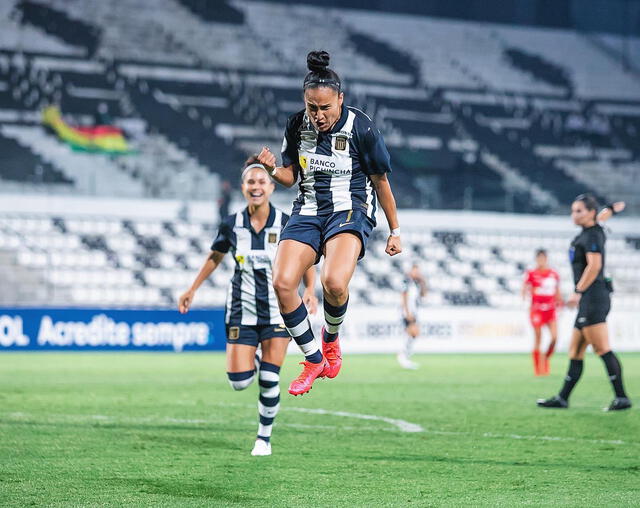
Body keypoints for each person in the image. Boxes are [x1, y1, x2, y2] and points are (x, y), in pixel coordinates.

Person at [256, 50, 402, 396]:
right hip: (307, 210)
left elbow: (380, 181)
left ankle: (331, 341)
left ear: (340, 99)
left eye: (325, 107)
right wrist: (271, 169)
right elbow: (290, 176)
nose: (318, 115)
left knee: (334, 282)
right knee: (282, 282)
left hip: (349, 209)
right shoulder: (295, 125)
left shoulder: (361, 127)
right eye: (312, 107)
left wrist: (395, 230)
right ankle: (313, 358)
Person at [178, 157, 318, 455]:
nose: (256, 186)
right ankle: (253, 360)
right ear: (243, 188)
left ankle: (263, 439)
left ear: (271, 186)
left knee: (269, 378)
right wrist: (192, 289)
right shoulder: (231, 224)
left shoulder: (286, 223)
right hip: (242, 310)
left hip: (279, 311)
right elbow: (214, 256)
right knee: (239, 382)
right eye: (251, 182)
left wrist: (311, 291)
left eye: (262, 181)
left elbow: (304, 255)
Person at [537, 196, 631, 411]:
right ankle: (562, 398)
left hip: (593, 297)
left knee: (602, 348)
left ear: (590, 212)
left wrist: (577, 292)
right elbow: (603, 216)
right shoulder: (594, 228)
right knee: (575, 350)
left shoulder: (592, 235)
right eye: (573, 210)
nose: (574, 215)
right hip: (590, 298)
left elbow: (594, 266)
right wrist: (611, 210)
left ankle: (622, 398)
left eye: (579, 211)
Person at [521, 249, 563, 376]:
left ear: (546, 259)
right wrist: (525, 302)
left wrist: (560, 304)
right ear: (536, 259)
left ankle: (545, 358)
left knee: (555, 338)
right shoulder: (531, 273)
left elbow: (557, 291)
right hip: (537, 310)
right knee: (538, 337)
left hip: (550, 310)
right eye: (539, 258)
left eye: (543, 258)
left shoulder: (553, 274)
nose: (541, 261)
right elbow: (524, 289)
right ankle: (538, 369)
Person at [398, 263, 427, 370]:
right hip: (407, 312)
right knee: (413, 332)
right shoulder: (407, 282)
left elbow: (424, 295)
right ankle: (403, 356)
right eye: (415, 271)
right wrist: (407, 312)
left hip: (414, 311)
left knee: (414, 334)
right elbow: (404, 297)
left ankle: (405, 356)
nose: (417, 273)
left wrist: (423, 282)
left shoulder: (417, 283)